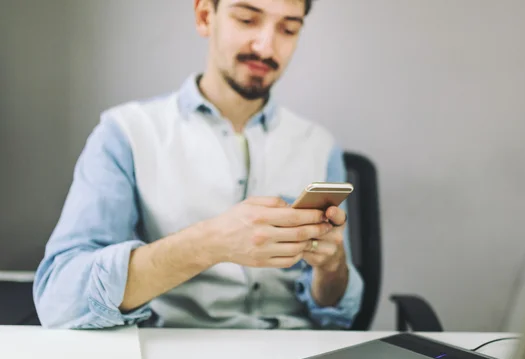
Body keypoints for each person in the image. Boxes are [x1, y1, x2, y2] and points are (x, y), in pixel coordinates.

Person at [33, 0, 364, 330]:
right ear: (206, 16)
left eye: (288, 29)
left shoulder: (320, 145)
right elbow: (59, 299)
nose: (266, 47)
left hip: (300, 358)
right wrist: (211, 242)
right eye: (247, 20)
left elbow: (337, 316)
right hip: (176, 354)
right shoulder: (125, 134)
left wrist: (332, 267)